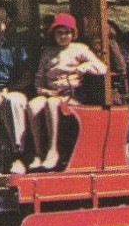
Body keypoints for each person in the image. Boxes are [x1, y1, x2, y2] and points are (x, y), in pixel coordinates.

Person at [27, 12, 108, 170]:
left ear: (73, 34)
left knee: (51, 104)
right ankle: (38, 154)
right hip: (50, 93)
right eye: (59, 33)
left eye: (67, 33)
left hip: (71, 94)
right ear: (54, 34)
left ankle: (53, 150)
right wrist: (43, 90)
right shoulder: (47, 53)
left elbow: (102, 68)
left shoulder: (80, 49)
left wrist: (83, 67)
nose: (63, 36)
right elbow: (38, 79)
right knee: (32, 106)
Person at [0, 2, 33, 175]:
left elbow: (27, 77)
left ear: (8, 22)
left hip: (10, 91)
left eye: (0, 19)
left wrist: (6, 91)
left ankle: (17, 156)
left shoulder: (15, 45)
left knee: (13, 101)